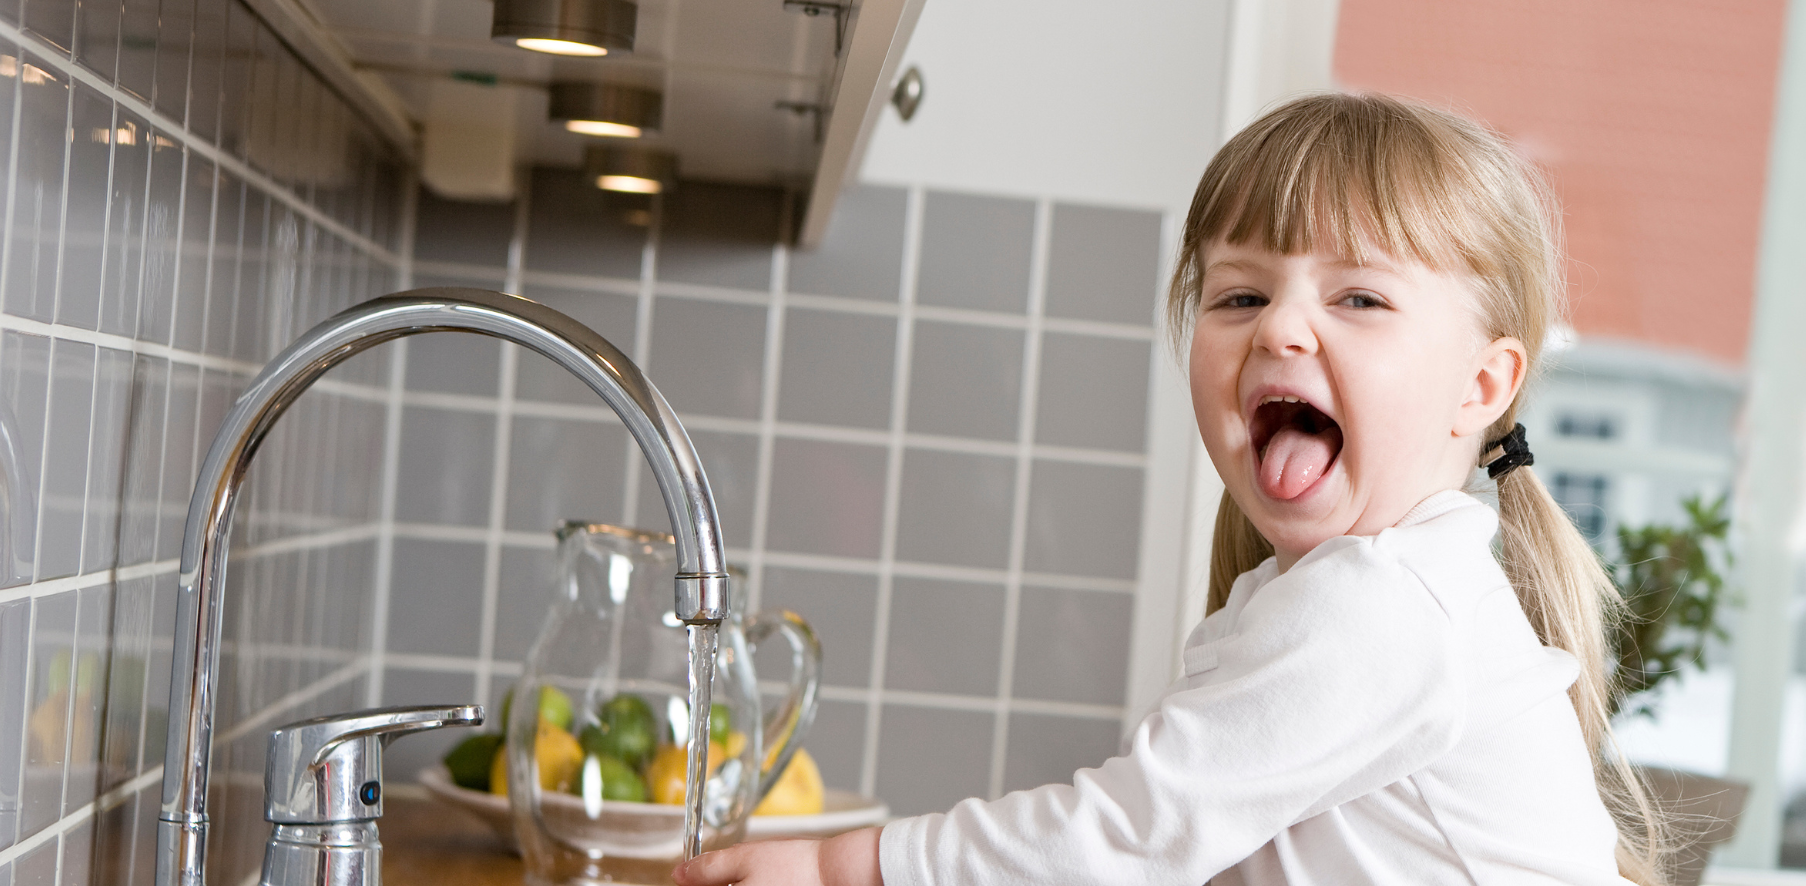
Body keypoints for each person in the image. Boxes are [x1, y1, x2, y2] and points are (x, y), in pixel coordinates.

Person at [674, 92, 1667, 886]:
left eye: (1358, 297)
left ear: (1481, 386)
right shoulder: (1339, 596)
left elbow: (1131, 836)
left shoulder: (1388, 603)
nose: (1279, 328)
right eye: (1239, 294)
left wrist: (838, 863)